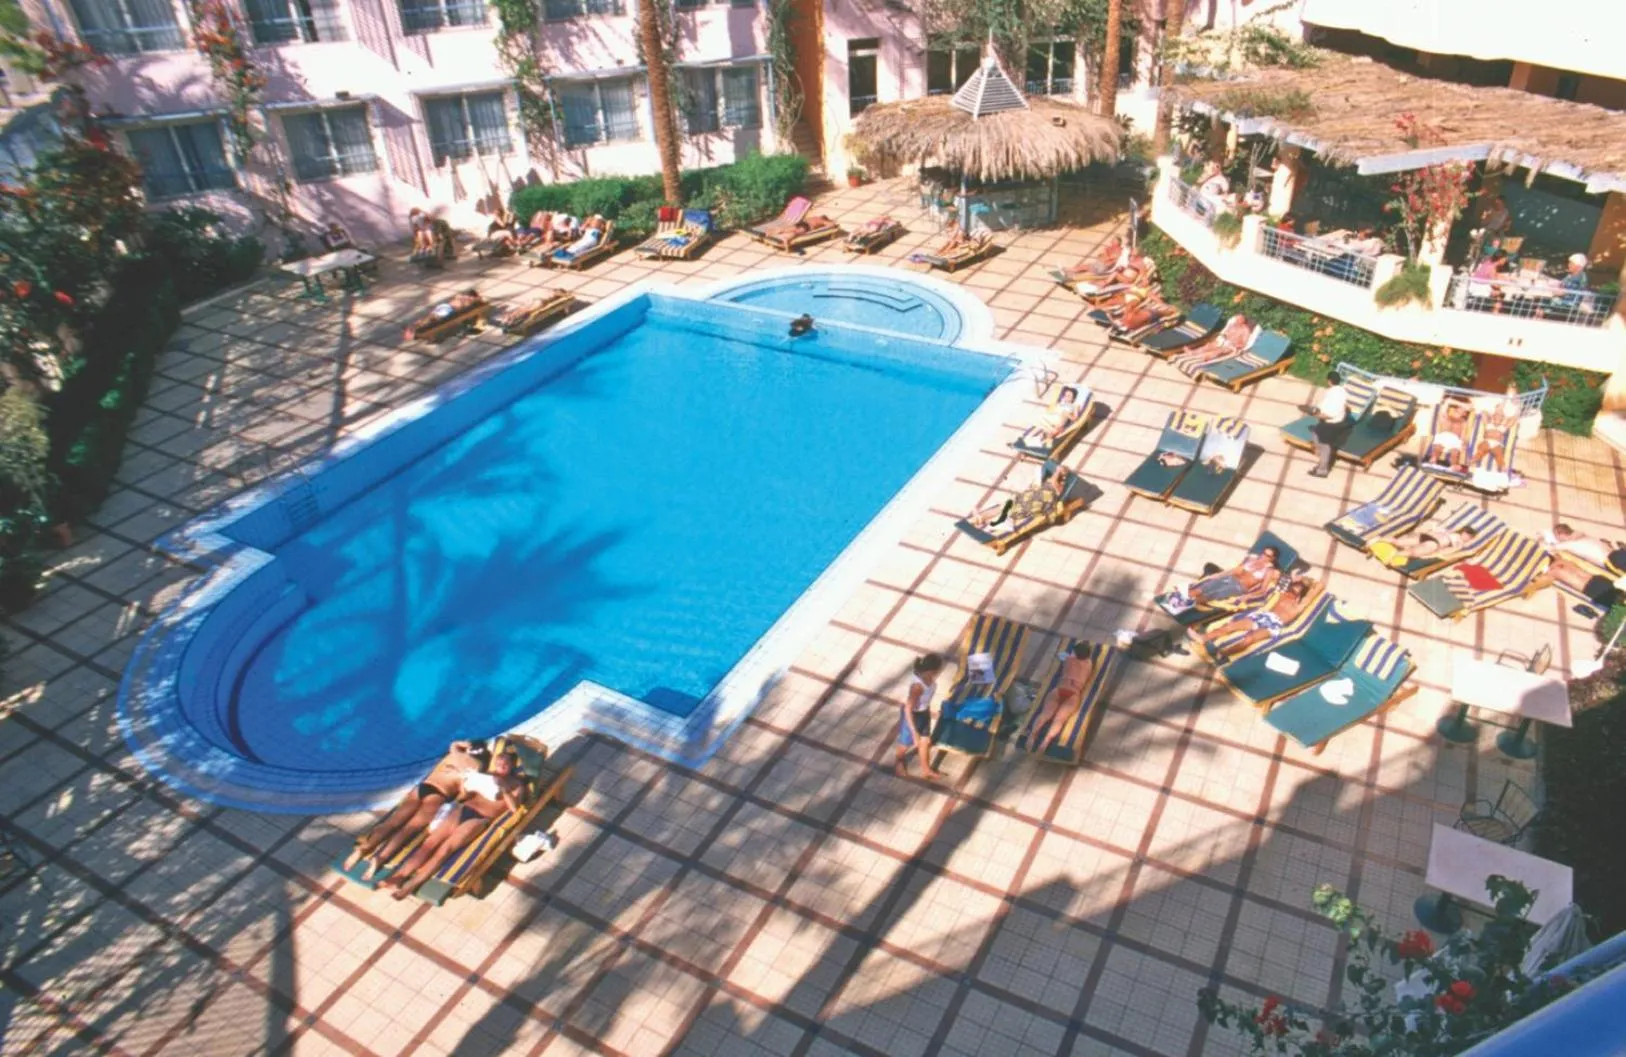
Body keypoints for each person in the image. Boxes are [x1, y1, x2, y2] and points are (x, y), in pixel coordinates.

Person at [381, 747, 527, 899]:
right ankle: (398, 877)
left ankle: (410, 886)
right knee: (428, 844)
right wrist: (467, 785)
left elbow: (514, 809)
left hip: (479, 818)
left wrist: (504, 790)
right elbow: (464, 796)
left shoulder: (517, 785)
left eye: (505, 765)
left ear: (512, 766)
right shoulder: (487, 776)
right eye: (498, 764)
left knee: (445, 850)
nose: (500, 768)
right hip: (463, 810)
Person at [343, 740, 489, 880]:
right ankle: (380, 858)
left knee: (392, 823)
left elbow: (454, 743)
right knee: (407, 829)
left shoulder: (454, 754)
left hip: (422, 788)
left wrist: (465, 745)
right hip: (438, 794)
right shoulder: (476, 767)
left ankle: (364, 848)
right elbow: (464, 795)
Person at [1195, 579, 1316, 659]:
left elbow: (1318, 587)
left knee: (1249, 639)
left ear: (1300, 595)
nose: (1290, 592)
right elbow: (1283, 581)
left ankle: (1223, 653)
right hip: (1263, 616)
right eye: (1290, 589)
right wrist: (1299, 579)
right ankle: (1203, 638)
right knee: (1230, 626)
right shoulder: (1283, 595)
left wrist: (1311, 584)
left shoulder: (1299, 606)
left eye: (1294, 592)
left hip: (1274, 625)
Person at [1020, 643, 1096, 756]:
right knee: (1059, 720)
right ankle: (1045, 742)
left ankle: (1032, 736)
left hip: (1059, 688)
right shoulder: (1089, 664)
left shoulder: (1068, 659)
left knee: (1045, 714)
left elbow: (1061, 654)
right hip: (1074, 693)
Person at [967, 463, 1072, 537]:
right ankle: (980, 519)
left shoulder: (1059, 487)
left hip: (1032, 505)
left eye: (1060, 472)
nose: (1055, 474)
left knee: (1007, 509)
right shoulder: (1052, 481)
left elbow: (1052, 484)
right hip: (1029, 499)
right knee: (1005, 506)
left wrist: (1058, 470)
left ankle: (981, 519)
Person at [1538, 525, 1626, 611]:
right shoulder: (1583, 535)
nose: (1558, 541)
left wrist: (1541, 539)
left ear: (1560, 534)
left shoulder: (1569, 543)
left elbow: (1548, 548)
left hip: (1611, 560)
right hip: (1618, 554)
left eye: (1557, 538)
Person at [1168, 545, 1282, 609]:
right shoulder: (1252, 560)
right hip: (1230, 578)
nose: (1263, 556)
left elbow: (1263, 590)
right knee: (1203, 588)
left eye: (1268, 555)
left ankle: (1184, 607)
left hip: (1239, 587)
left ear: (1273, 559)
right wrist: (1218, 574)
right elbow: (1235, 570)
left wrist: (1247, 596)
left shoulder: (1270, 570)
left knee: (1210, 594)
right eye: (1263, 553)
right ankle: (1176, 601)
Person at [896, 653, 946, 780]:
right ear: (931, 670)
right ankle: (899, 764)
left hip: (924, 712)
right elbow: (908, 709)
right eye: (938, 670)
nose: (939, 672)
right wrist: (914, 732)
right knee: (905, 745)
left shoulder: (928, 678)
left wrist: (931, 712)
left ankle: (926, 770)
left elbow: (925, 699)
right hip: (912, 716)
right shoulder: (917, 687)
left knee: (925, 742)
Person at [1172, 313, 1253, 374]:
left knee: (1219, 350)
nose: (1236, 321)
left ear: (1243, 321)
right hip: (1224, 341)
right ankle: (1192, 352)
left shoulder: (1245, 330)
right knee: (1209, 345)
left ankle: (1205, 357)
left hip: (1232, 346)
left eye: (1239, 320)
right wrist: (1222, 337)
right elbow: (1225, 333)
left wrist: (1235, 345)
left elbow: (1244, 344)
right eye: (1236, 319)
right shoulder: (1232, 325)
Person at [1369, 523, 1478, 567]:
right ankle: (1393, 555)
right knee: (1412, 553)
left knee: (1398, 542)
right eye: (1469, 537)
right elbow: (1448, 552)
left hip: (1426, 536)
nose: (1468, 539)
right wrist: (1436, 553)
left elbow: (1436, 528)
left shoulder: (1450, 531)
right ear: (1466, 535)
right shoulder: (1459, 542)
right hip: (1434, 543)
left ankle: (1377, 539)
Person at [1309, 370, 1353, 477]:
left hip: (1332, 424)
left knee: (1324, 445)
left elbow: (1329, 414)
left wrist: (1316, 415)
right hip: (1338, 421)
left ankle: (1322, 470)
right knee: (1316, 434)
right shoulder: (1341, 391)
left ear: (1329, 381)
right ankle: (1321, 459)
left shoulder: (1332, 394)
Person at [1470, 384, 1521, 471]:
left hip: (1497, 444)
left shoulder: (1503, 427)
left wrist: (1515, 410)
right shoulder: (1489, 423)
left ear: (1503, 418)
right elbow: (1483, 412)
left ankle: (1502, 468)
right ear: (1493, 415)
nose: (1498, 416)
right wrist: (1493, 412)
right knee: (1480, 452)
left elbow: (1514, 418)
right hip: (1486, 441)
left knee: (1499, 456)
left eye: (1500, 416)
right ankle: (1472, 463)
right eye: (1496, 414)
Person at [1019, 386, 1085, 448]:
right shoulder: (1060, 404)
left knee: (1041, 418)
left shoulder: (1075, 405)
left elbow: (1075, 418)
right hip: (1053, 420)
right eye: (1065, 395)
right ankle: (1035, 440)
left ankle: (1048, 434)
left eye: (1069, 396)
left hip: (1060, 420)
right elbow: (1052, 412)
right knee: (1041, 424)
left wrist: (1066, 414)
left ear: (1073, 398)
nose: (1066, 397)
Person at [1423, 396, 1473, 472]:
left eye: (1464, 410)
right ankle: (1433, 460)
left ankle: (1454, 465)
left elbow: (1464, 433)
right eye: (1457, 409)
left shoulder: (1463, 422)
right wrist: (1460, 404)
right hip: (1443, 436)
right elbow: (1447, 402)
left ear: (1465, 413)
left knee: (1455, 453)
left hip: (1455, 439)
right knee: (1438, 448)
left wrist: (1464, 442)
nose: (1461, 410)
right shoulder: (1446, 416)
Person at [1052, 236, 1125, 284]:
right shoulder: (1110, 248)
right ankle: (1065, 269)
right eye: (1111, 241)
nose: (1111, 242)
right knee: (1082, 266)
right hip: (1099, 263)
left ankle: (1069, 276)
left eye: (1113, 241)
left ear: (1117, 243)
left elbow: (1107, 258)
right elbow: (1100, 255)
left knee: (1086, 271)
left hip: (1102, 267)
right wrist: (1104, 254)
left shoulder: (1118, 251)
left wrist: (1105, 253)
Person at [1549, 253, 1593, 319]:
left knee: (1541, 301)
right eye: (1569, 263)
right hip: (1562, 301)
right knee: (1541, 301)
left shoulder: (1578, 278)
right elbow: (1561, 284)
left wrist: (1550, 291)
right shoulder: (1571, 275)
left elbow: (1564, 292)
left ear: (1578, 266)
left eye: (1571, 263)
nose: (1569, 265)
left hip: (1566, 305)